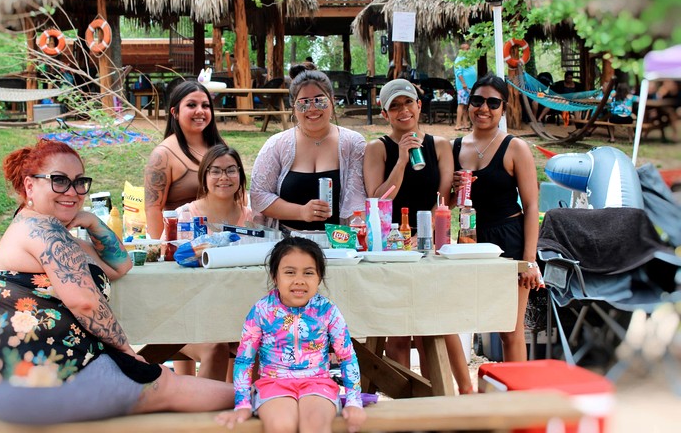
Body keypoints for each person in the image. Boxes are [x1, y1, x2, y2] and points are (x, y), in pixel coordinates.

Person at [0, 139, 233, 425]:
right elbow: (84, 302)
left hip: (13, 378)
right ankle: (263, 397)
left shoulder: (37, 226)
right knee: (165, 385)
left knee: (166, 383)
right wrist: (128, 353)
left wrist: (92, 222)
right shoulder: (44, 231)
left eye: (79, 182)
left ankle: (261, 396)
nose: (72, 192)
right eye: (59, 181)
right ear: (30, 185)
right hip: (45, 378)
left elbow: (120, 264)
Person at [362, 78, 473, 394]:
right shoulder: (377, 148)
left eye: (407, 103)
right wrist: (400, 159)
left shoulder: (439, 145)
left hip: (430, 245)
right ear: (385, 114)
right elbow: (377, 202)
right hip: (391, 248)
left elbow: (443, 203)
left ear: (419, 105)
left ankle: (443, 396)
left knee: (436, 325)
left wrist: (461, 189)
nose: (403, 111)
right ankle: (405, 403)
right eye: (394, 106)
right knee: (398, 333)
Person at [215, 237, 366, 433]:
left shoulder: (328, 311)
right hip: (273, 384)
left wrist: (354, 400)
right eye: (290, 272)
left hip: (318, 383)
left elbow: (346, 356)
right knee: (281, 426)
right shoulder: (261, 311)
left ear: (319, 278)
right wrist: (242, 404)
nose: (299, 280)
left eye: (309, 273)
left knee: (315, 426)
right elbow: (244, 359)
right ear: (274, 276)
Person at [451, 75, 542, 362]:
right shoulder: (455, 148)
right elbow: (449, 204)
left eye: (493, 102)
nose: (484, 108)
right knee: (462, 320)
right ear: (469, 104)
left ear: (503, 107)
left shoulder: (515, 148)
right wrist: (454, 190)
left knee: (510, 331)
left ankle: (518, 401)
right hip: (469, 240)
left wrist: (529, 260)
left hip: (509, 238)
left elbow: (531, 206)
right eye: (477, 101)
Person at [143, 80, 228, 380]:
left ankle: (229, 398)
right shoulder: (163, 155)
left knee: (226, 328)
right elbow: (153, 208)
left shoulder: (218, 149)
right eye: (192, 105)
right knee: (186, 331)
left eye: (205, 105)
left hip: (219, 257)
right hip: (181, 257)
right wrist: (163, 254)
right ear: (174, 112)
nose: (200, 111)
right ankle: (193, 393)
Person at [250, 70, 366, 230]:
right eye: (303, 102)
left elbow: (357, 199)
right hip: (288, 243)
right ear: (293, 106)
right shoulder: (276, 144)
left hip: (341, 243)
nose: (312, 108)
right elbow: (258, 195)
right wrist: (301, 212)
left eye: (320, 101)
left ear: (332, 101)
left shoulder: (353, 143)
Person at [175, 144, 263, 228]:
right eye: (215, 172)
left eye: (231, 170)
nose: (224, 177)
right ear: (204, 176)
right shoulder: (183, 217)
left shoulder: (253, 220)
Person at [453, 41, 478, 131]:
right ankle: (458, 124)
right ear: (460, 50)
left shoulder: (468, 60)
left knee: (466, 105)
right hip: (463, 86)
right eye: (464, 49)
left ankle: (465, 123)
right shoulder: (459, 59)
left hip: (470, 86)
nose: (466, 51)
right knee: (461, 104)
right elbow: (458, 73)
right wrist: (463, 83)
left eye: (468, 49)